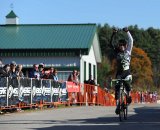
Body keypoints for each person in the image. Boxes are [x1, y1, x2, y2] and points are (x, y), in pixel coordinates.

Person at [109, 27, 133, 114]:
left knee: (127, 84)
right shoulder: (117, 52)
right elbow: (111, 43)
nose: (122, 46)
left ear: (126, 45)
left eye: (123, 45)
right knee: (117, 88)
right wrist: (114, 33)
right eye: (120, 45)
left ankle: (129, 96)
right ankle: (118, 106)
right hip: (119, 73)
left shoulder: (128, 51)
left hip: (127, 72)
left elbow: (131, 40)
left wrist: (127, 32)